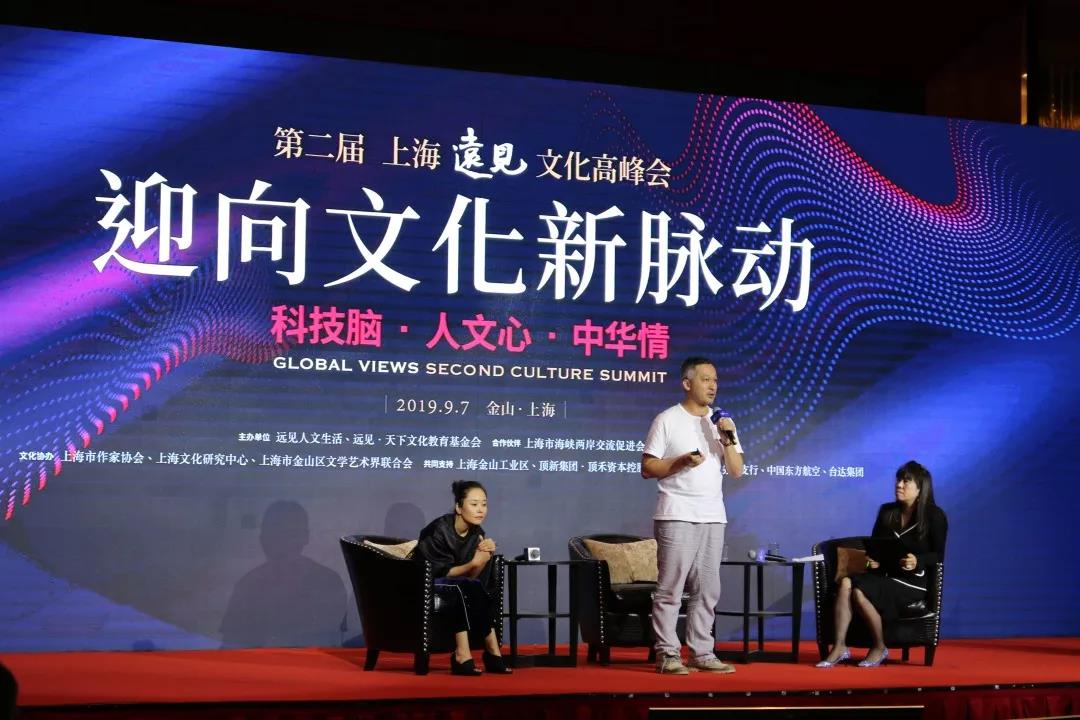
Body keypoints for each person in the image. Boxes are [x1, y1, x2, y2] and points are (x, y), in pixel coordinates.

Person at [641, 357, 745, 675]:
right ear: (687, 383)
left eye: (715, 380)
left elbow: (737, 470)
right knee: (671, 588)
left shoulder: (722, 422)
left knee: (707, 589)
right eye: (705, 379)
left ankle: (702, 652)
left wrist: (727, 438)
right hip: (676, 513)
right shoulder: (667, 419)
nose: (712, 386)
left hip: (713, 515)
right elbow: (647, 467)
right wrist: (682, 461)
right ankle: (667, 654)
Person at [816, 460, 948, 668]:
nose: (899, 485)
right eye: (898, 480)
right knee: (846, 582)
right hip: (884, 575)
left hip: (912, 582)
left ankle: (879, 646)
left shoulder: (934, 515)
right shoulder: (887, 512)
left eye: (906, 481)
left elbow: (938, 556)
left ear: (920, 488)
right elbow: (875, 547)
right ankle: (840, 646)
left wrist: (918, 560)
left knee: (859, 592)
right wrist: (871, 561)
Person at [412, 480, 511, 676]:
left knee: (470, 586)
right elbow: (438, 573)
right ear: (458, 507)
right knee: (461, 587)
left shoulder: (477, 533)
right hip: (424, 585)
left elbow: (472, 578)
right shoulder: (438, 530)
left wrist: (484, 558)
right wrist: (474, 563)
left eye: (484, 504)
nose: (480, 510)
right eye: (474, 504)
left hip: (458, 586)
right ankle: (473, 653)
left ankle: (487, 652)